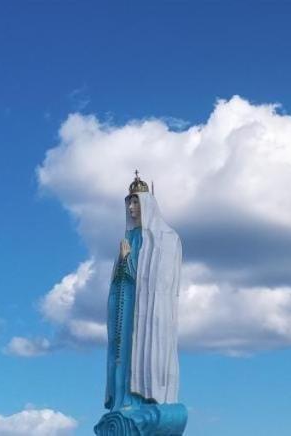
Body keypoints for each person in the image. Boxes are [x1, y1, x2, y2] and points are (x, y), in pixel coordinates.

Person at [97, 173, 187, 436]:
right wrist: (123, 261)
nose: (131, 209)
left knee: (143, 357)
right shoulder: (127, 240)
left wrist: (128, 262)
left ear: (147, 204)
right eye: (128, 204)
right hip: (124, 315)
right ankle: (122, 400)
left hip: (148, 319)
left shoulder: (166, 239)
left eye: (136, 203)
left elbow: (159, 282)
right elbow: (118, 285)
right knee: (122, 356)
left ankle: (143, 399)